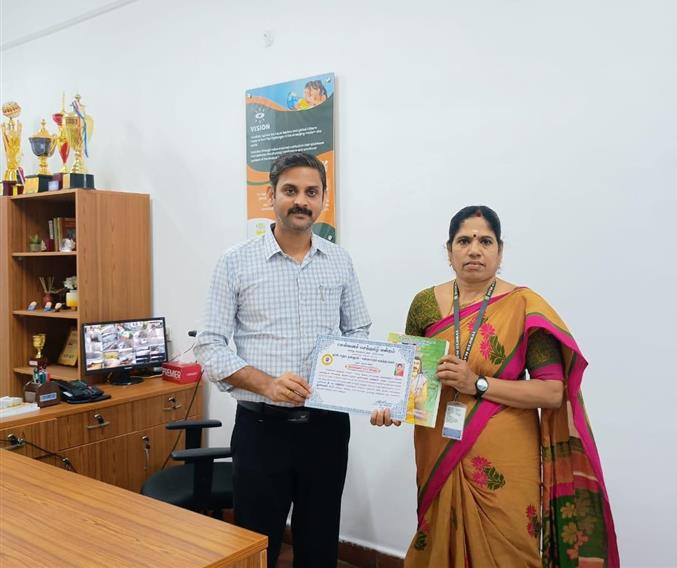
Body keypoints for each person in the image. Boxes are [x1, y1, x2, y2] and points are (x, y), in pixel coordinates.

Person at [371, 205, 618, 567]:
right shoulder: (424, 304)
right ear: (449, 250)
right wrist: (389, 408)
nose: (474, 249)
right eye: (464, 240)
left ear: (500, 251)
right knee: (438, 538)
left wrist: (478, 384)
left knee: (510, 549)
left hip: (504, 452)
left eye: (485, 241)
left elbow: (551, 392)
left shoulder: (523, 305)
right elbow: (410, 379)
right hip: (438, 446)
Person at [195, 151, 371, 568]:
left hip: (327, 430)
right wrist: (266, 383)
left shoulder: (339, 261)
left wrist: (370, 389)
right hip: (262, 430)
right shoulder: (235, 262)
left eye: (312, 192)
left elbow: (359, 334)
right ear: (270, 195)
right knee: (257, 544)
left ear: (323, 199)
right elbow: (209, 345)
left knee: (319, 543)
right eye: (290, 190)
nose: (301, 201)